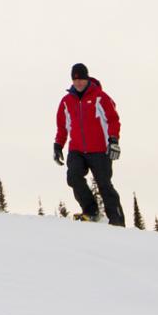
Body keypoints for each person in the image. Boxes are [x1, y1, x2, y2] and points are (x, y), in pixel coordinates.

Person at [54, 62, 125, 225]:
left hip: (99, 149)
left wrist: (113, 140)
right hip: (77, 149)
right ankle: (91, 210)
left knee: (104, 184)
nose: (78, 82)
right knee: (73, 177)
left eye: (81, 79)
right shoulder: (66, 101)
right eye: (75, 79)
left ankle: (117, 220)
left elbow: (113, 120)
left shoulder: (100, 97)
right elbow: (63, 126)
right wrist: (58, 145)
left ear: (87, 79)